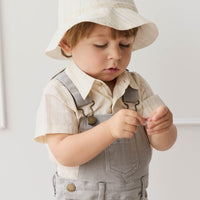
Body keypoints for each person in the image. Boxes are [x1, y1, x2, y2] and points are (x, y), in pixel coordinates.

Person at [34, 0, 177, 199]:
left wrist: (163, 128)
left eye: (125, 44)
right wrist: (108, 130)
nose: (116, 55)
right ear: (67, 44)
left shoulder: (136, 85)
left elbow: (163, 144)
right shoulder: (59, 91)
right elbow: (63, 153)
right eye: (101, 45)